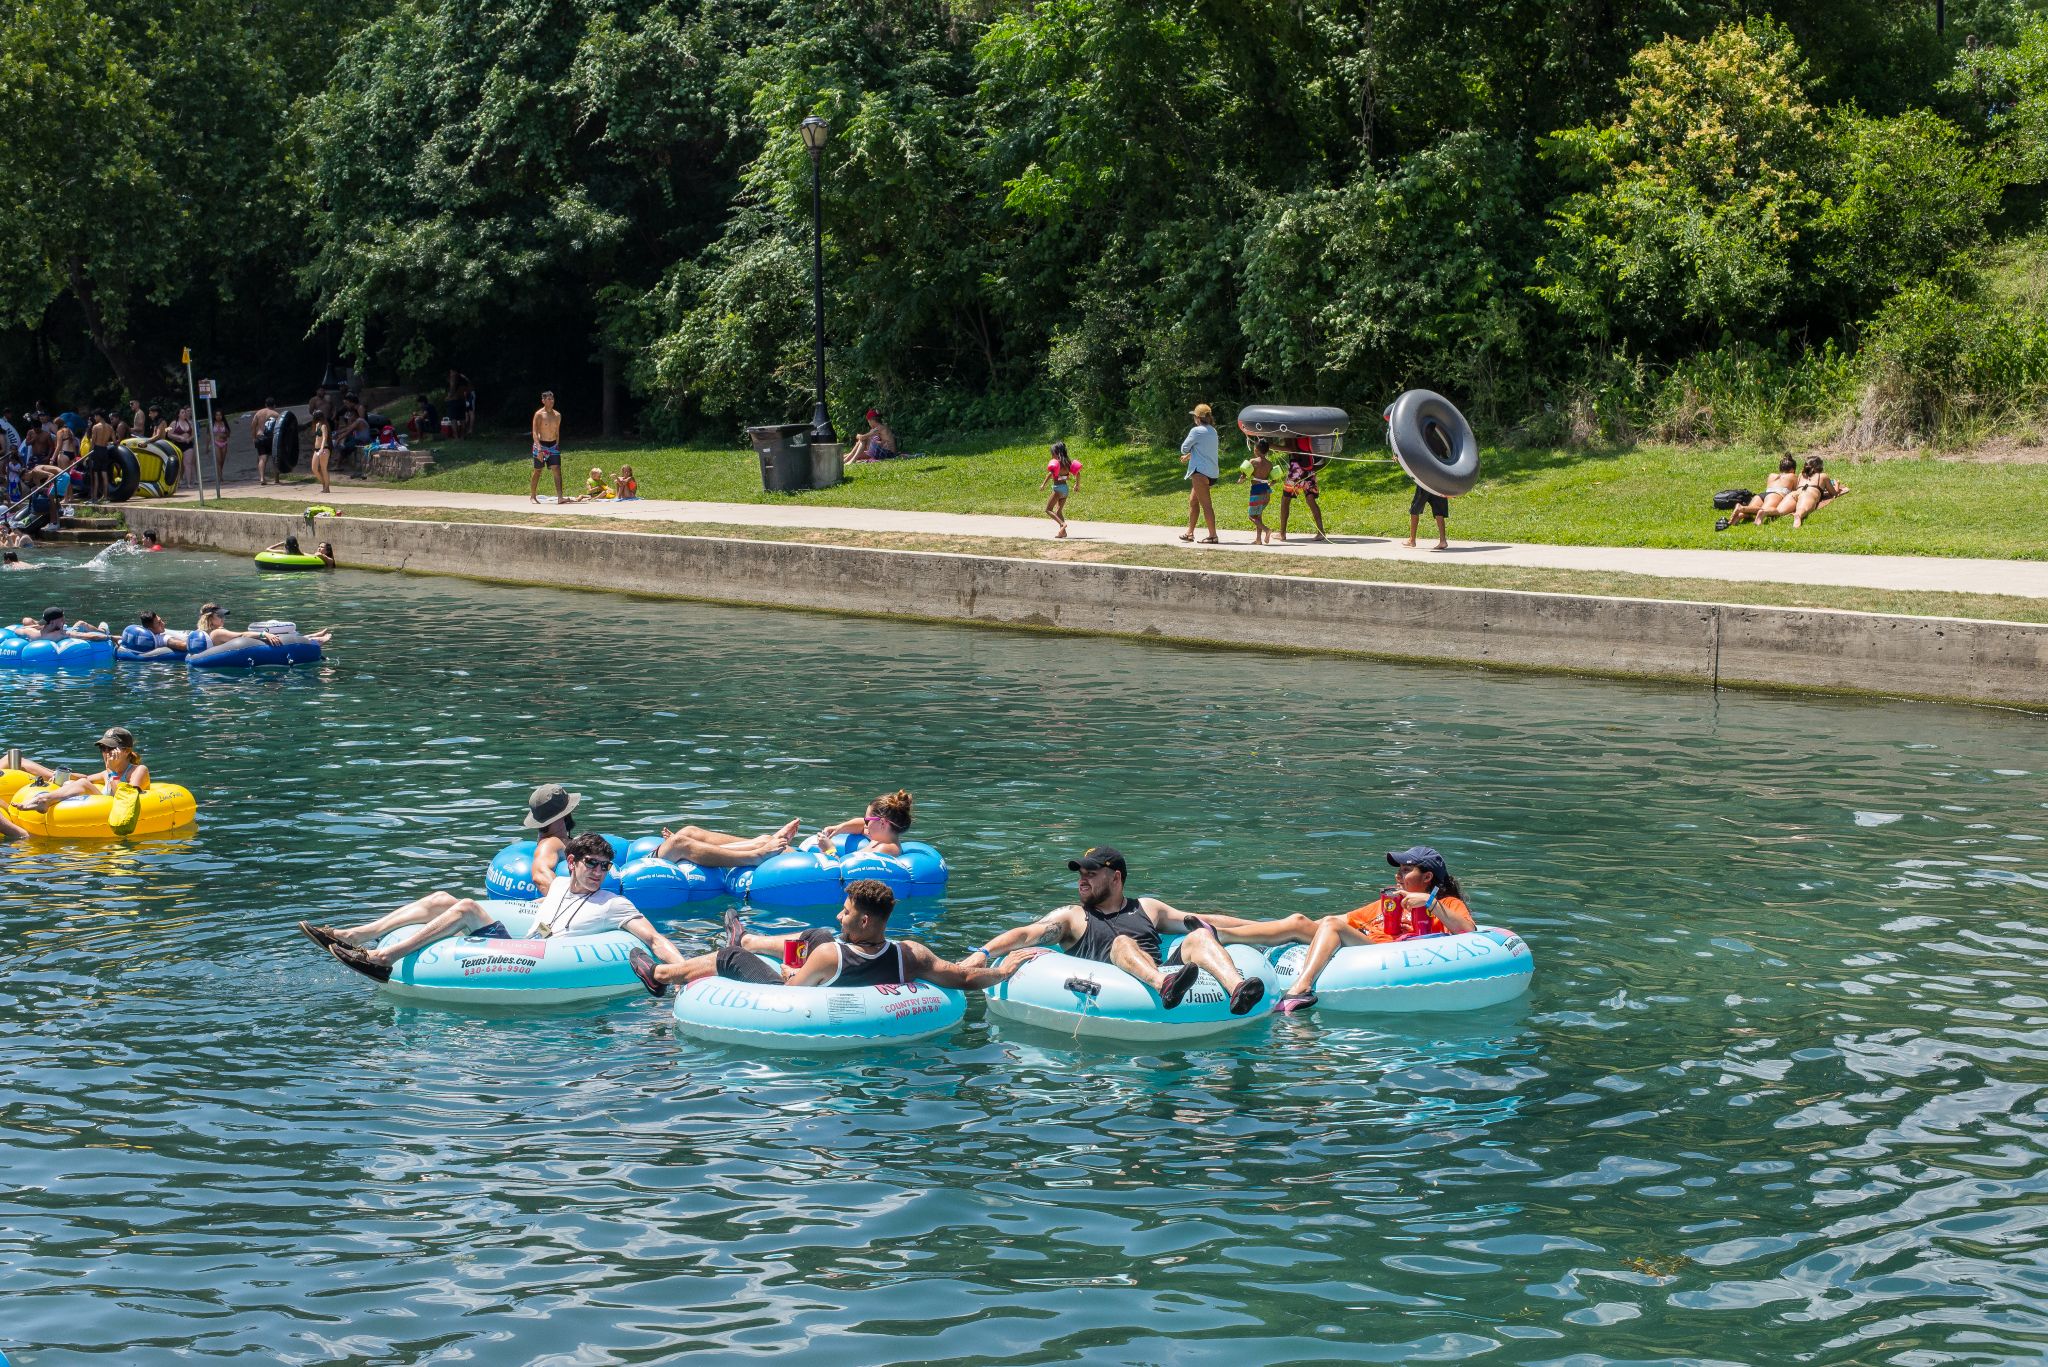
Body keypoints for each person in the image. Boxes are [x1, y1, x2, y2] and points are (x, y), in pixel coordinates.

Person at [308, 831, 687, 984]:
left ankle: (381, 958)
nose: (599, 872)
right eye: (591, 864)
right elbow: (538, 906)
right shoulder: (556, 885)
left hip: (543, 957)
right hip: (519, 943)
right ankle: (351, 934)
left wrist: (681, 973)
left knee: (466, 906)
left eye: (605, 867)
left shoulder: (614, 903)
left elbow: (653, 938)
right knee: (443, 899)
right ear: (572, 863)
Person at [968, 845, 1268, 1014]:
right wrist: (982, 953)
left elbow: (1201, 919)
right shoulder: (1074, 917)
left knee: (1200, 934)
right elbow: (1024, 934)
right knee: (1123, 942)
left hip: (1169, 976)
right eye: (1081, 875)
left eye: (1092, 874)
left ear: (1116, 878)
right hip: (1113, 988)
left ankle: (1237, 991)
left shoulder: (1147, 907)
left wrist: (1260, 927)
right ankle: (1163, 985)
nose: (1082, 881)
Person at [1189, 846, 1477, 1014]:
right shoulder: (1388, 903)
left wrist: (1429, 904)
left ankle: (1301, 989)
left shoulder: (1445, 902)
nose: (1397, 875)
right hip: (1367, 944)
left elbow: (1469, 930)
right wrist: (1290, 929)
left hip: (1391, 953)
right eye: (1398, 869)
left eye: (1406, 870)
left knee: (1329, 923)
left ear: (1427, 877)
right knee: (1301, 921)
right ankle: (1219, 933)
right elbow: (1336, 921)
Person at [632, 878, 1024, 997]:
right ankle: (750, 939)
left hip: (799, 989)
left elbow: (792, 991)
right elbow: (963, 978)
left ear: (866, 920)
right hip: (844, 967)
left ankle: (662, 976)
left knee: (728, 958)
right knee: (819, 933)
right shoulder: (911, 953)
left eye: (847, 911)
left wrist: (788, 970)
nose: (840, 914)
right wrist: (1004, 971)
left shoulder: (829, 957)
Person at [8, 727, 150, 813]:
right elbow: (86, 778)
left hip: (121, 811)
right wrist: (63, 775)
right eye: (103, 748)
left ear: (125, 751)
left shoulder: (138, 771)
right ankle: (45, 800)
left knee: (83, 784)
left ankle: (44, 800)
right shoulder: (106, 773)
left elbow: (127, 798)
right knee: (74, 783)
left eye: (110, 748)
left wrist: (112, 771)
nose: (105, 752)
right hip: (101, 809)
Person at [813, 788, 914, 858]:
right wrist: (838, 828)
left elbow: (844, 874)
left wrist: (829, 850)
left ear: (882, 823)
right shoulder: (882, 838)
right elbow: (861, 825)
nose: (865, 825)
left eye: (868, 820)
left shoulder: (885, 850)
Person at [1177, 404, 1221, 543]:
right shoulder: (1212, 431)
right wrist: (1190, 456)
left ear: (1197, 418)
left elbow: (1184, 448)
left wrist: (1186, 453)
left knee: (1206, 505)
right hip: (1211, 472)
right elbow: (1203, 450)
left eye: (1194, 416)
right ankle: (1189, 533)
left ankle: (1213, 536)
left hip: (1200, 473)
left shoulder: (1196, 431)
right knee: (1193, 501)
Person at [1279, 447, 1327, 543]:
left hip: (1297, 468)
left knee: (1285, 499)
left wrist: (1270, 445)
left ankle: (1282, 533)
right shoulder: (1308, 433)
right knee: (1310, 499)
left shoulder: (1293, 433)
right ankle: (1321, 532)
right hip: (1309, 467)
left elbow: (1291, 449)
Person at [1788, 456, 1848, 528]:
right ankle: (1798, 515)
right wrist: (1837, 485)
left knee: (1779, 511)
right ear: (1819, 466)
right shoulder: (1823, 476)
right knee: (1802, 510)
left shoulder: (1801, 475)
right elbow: (1834, 494)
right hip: (1808, 494)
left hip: (1795, 494)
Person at [1039, 441, 1080, 539]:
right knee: (1058, 512)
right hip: (1065, 490)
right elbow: (1078, 473)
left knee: (1048, 509)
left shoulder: (1056, 464)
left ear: (1056, 453)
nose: (1052, 455)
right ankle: (1063, 533)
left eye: (1052, 453)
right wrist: (1077, 485)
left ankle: (1063, 524)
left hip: (1058, 489)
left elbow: (1050, 474)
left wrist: (1043, 484)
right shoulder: (1068, 463)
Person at [530, 391, 565, 503]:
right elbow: (535, 432)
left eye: (552, 399)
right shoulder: (539, 414)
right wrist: (539, 448)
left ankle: (560, 497)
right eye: (549, 399)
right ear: (543, 401)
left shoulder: (557, 415)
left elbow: (557, 432)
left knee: (557, 469)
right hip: (541, 445)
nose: (551, 401)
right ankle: (533, 496)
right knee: (538, 470)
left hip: (553, 445)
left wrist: (557, 445)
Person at [1242, 436, 1275, 545]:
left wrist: (1240, 480)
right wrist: (1270, 483)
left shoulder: (1253, 461)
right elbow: (1274, 480)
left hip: (1256, 492)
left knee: (1251, 516)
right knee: (1258, 515)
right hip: (1266, 491)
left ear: (1256, 449)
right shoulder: (1270, 464)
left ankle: (1267, 530)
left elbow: (1245, 475)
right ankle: (1258, 540)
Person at [1406, 482, 1451, 550]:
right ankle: (1443, 541)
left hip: (1425, 482)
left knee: (1415, 510)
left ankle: (1412, 540)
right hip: (1439, 483)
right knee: (1439, 512)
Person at [20, 607, 109, 640]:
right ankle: (103, 631)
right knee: (81, 623)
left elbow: (17, 630)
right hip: (62, 636)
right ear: (53, 621)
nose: (64, 620)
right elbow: (88, 636)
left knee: (27, 621)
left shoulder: (31, 632)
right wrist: (110, 637)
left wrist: (37, 626)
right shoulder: (60, 634)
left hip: (46, 629)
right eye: (62, 618)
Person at [249, 400, 281, 486]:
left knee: (262, 458)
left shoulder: (258, 413)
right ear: (274, 405)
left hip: (260, 437)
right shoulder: (276, 414)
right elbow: (280, 428)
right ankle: (276, 480)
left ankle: (262, 478)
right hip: (271, 438)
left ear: (265, 404)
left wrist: (253, 438)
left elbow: (253, 426)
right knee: (275, 458)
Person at [309, 408, 332, 495]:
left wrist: (322, 448)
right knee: (314, 468)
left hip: (324, 449)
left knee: (323, 469)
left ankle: (327, 487)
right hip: (317, 450)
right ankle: (324, 483)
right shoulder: (317, 425)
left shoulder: (323, 426)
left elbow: (325, 438)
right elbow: (317, 438)